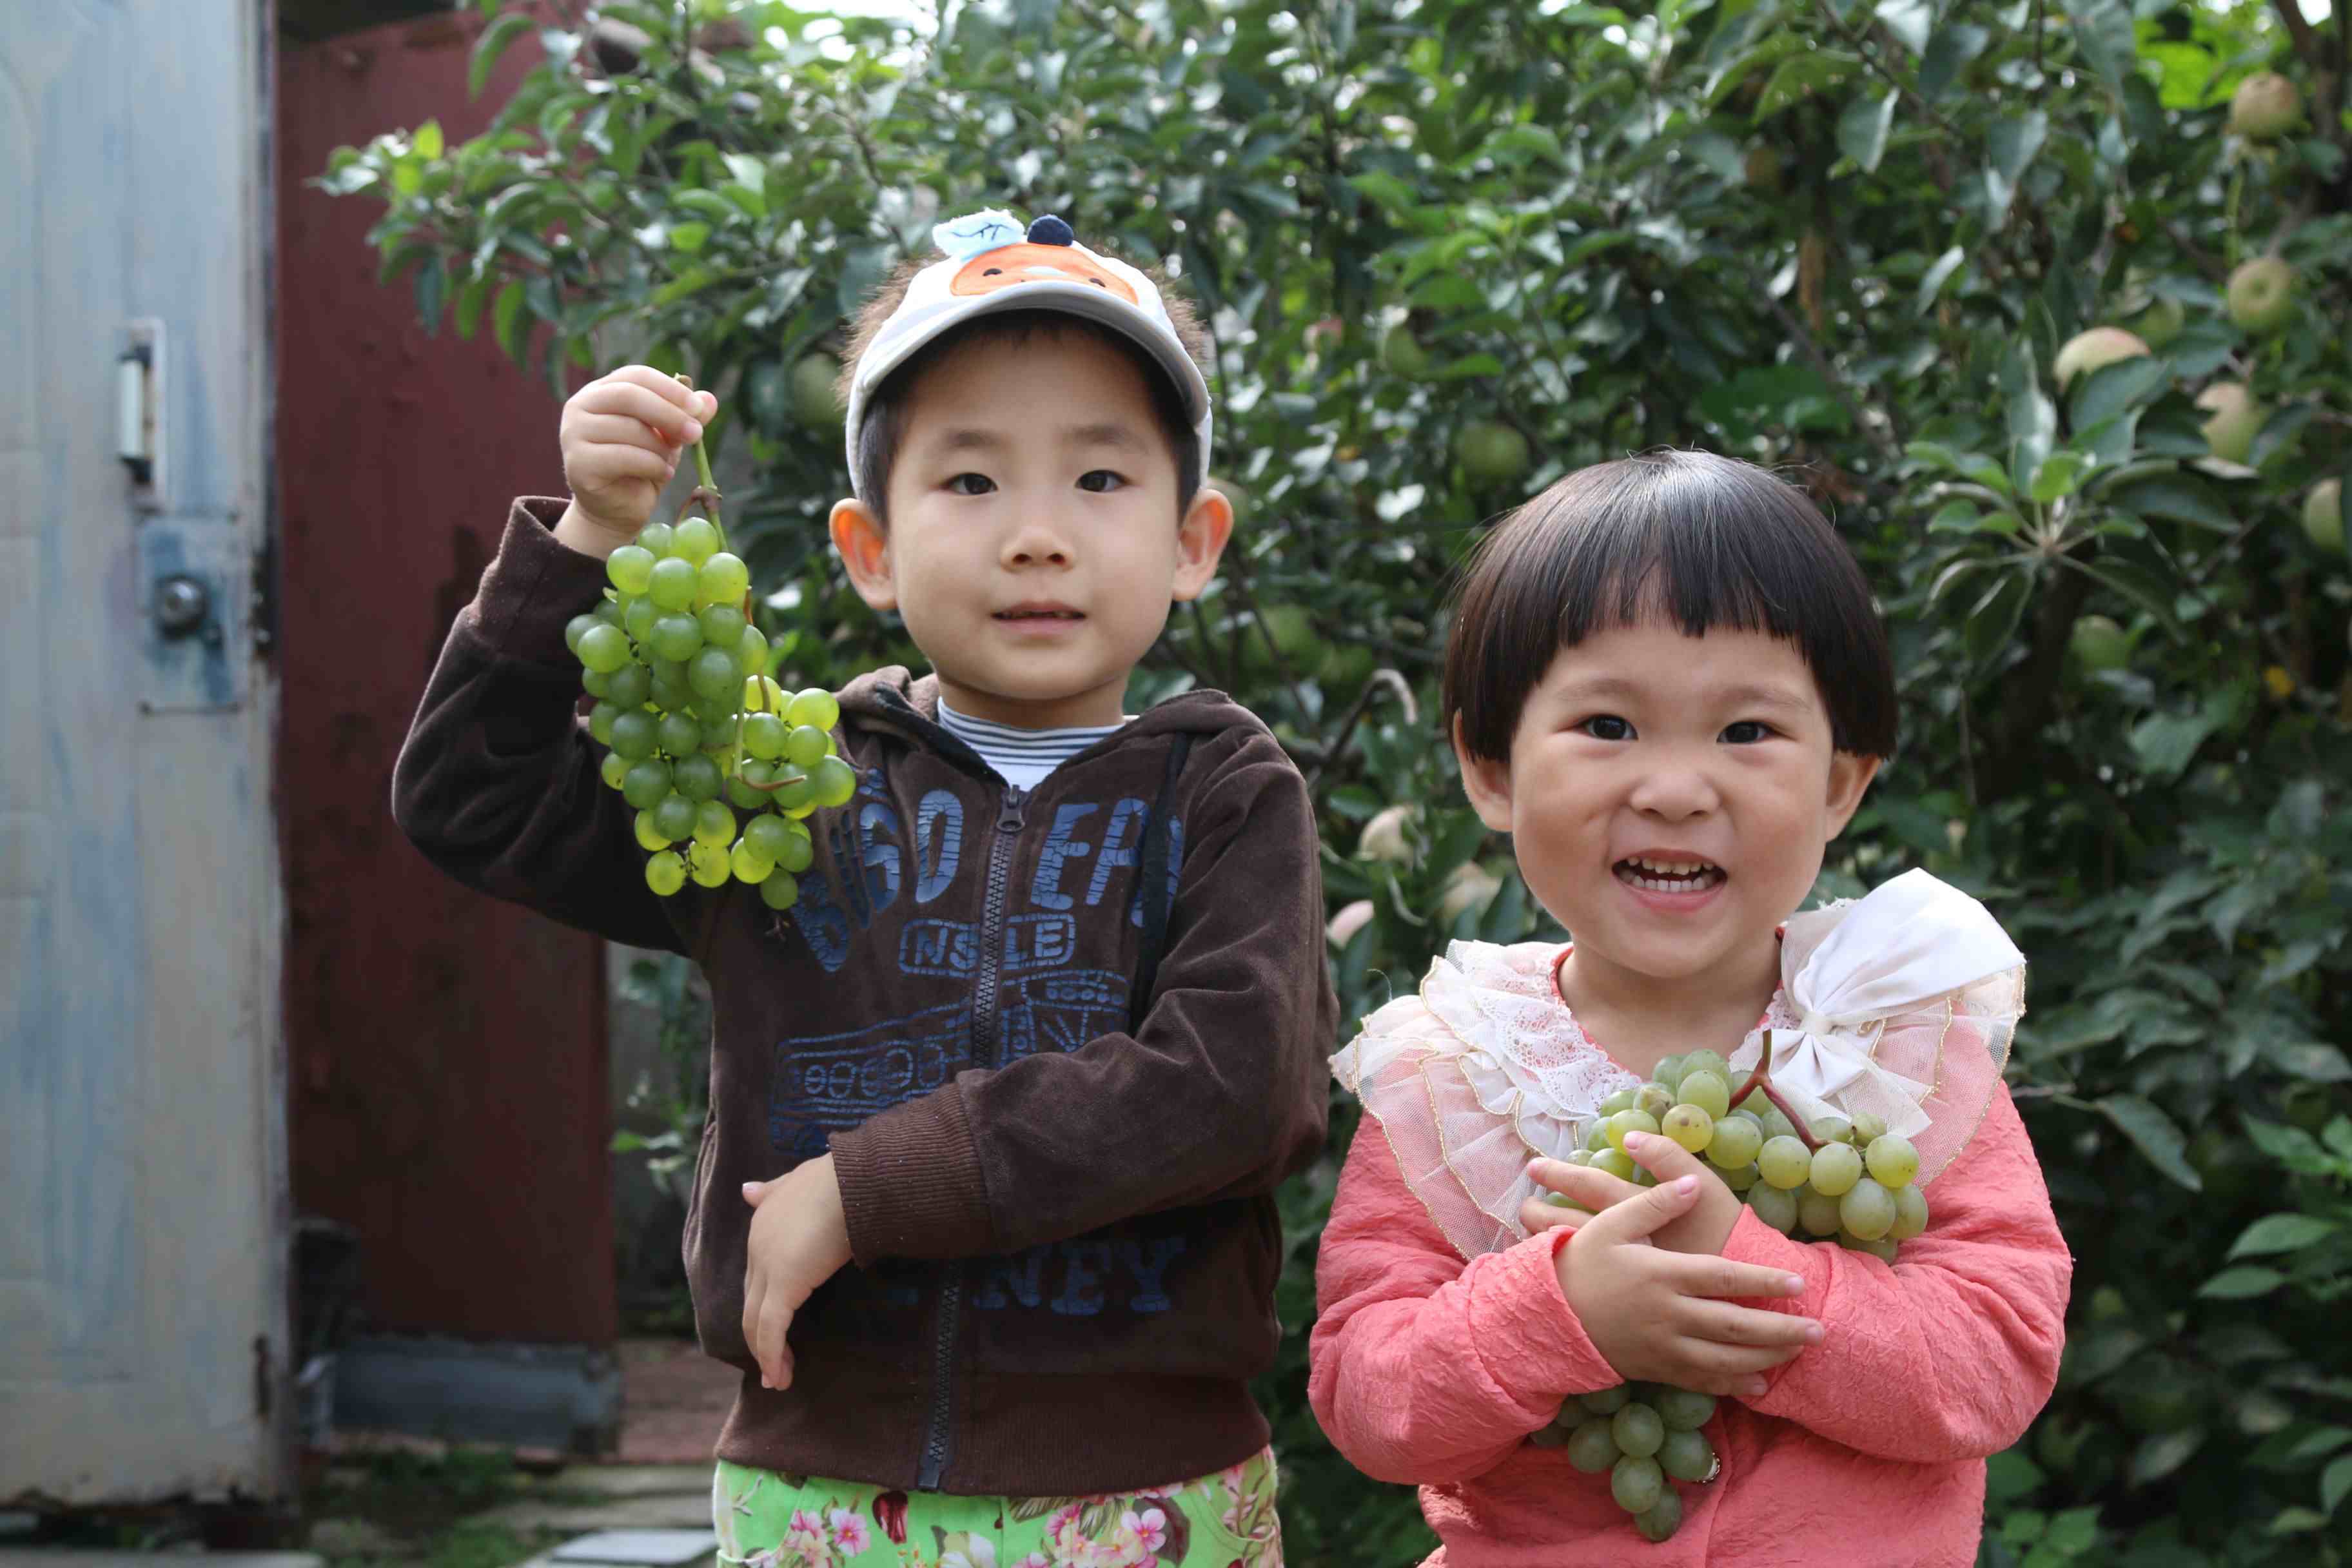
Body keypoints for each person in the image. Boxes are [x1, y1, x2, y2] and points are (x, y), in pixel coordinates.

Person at [394, 209, 1331, 1566]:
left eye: (1102, 481)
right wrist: (587, 540)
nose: (1036, 536)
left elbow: (1231, 1089)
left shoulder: (1225, 793)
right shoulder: (786, 784)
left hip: (1148, 1494)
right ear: (868, 549)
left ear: (1195, 541)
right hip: (818, 1489)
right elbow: (470, 804)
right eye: (969, 482)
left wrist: (874, 1186)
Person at [1307, 450, 2072, 1565]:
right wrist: (1559, 1312)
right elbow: (1370, 1397)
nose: (1673, 786)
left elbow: (1994, 1364)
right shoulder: (1460, 1071)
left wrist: (1753, 1279)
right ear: (1491, 770)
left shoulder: (1892, 1043)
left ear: (1841, 786)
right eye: (1608, 726)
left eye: (1746, 731)